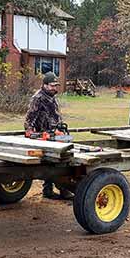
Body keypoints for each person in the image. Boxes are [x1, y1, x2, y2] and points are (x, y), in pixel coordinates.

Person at [24, 72, 74, 200]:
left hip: (57, 135)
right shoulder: (38, 98)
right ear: (44, 85)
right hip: (45, 137)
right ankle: (58, 189)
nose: (55, 88)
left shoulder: (52, 97)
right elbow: (29, 120)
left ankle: (57, 189)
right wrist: (33, 134)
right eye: (52, 86)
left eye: (56, 85)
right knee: (54, 162)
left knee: (65, 156)